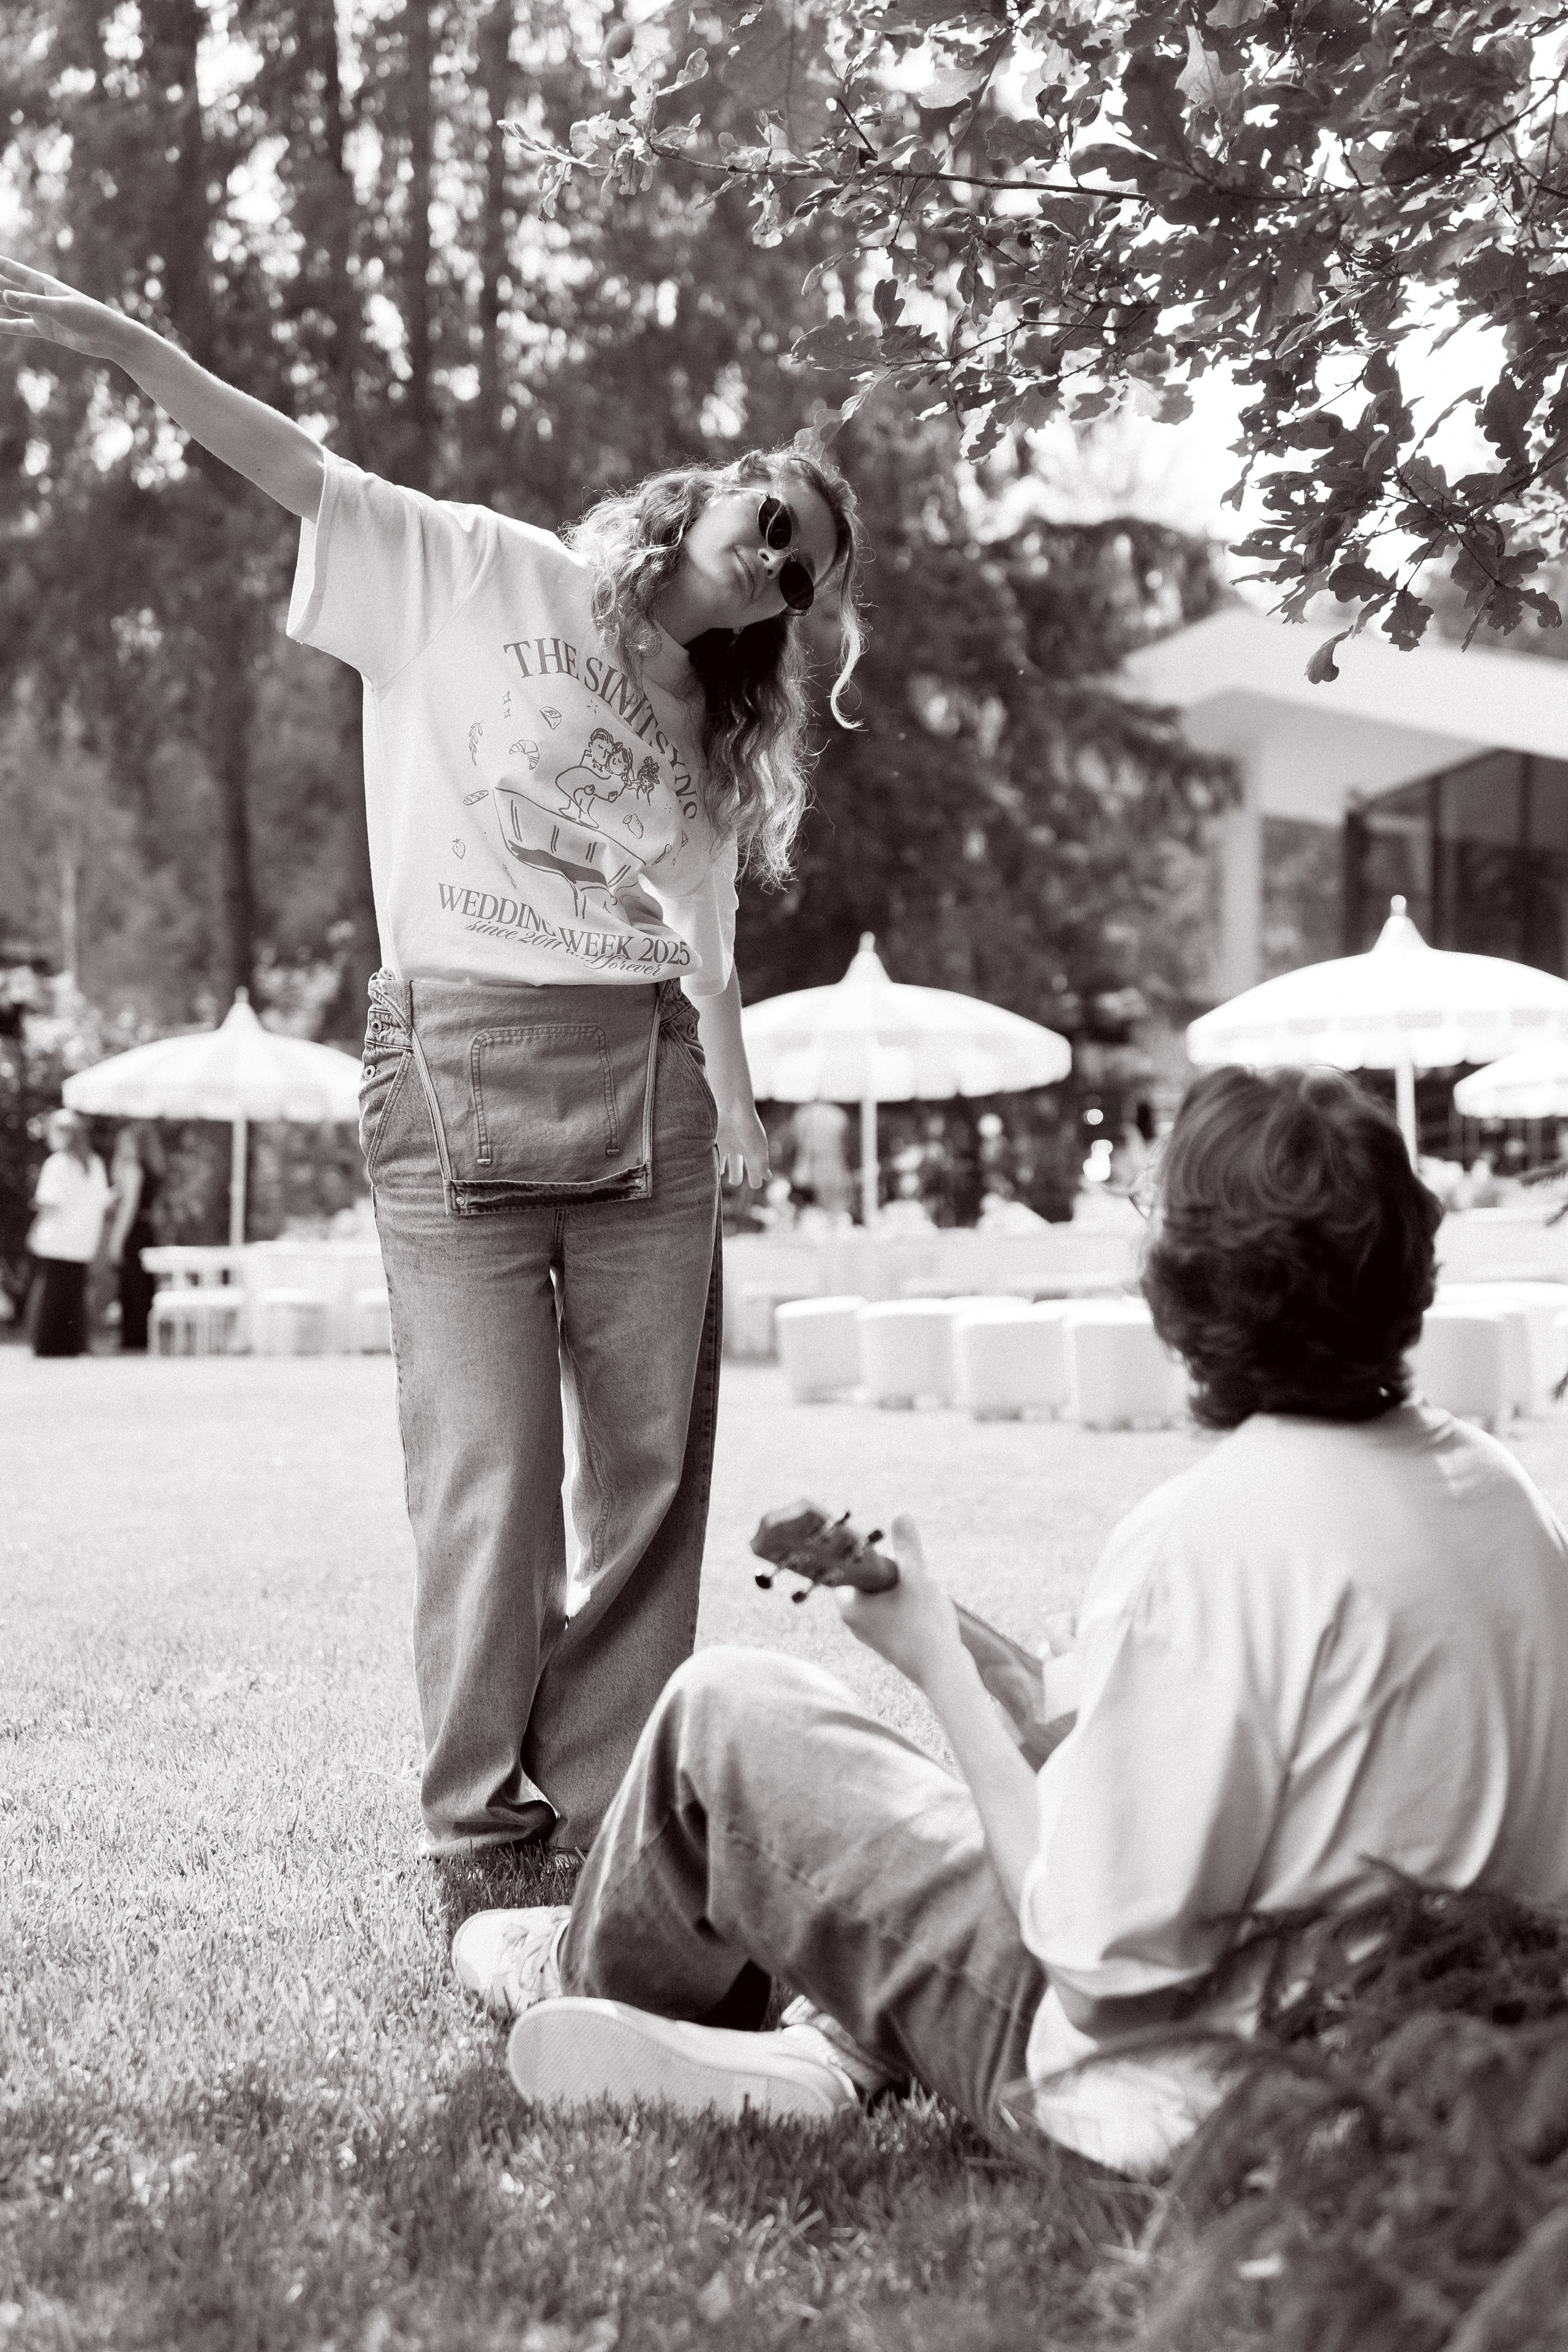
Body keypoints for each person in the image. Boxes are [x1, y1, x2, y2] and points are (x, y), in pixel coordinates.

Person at [0, 251, 865, 1858]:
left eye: (802, 582)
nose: (776, 577)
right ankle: (477, 1809)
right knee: (487, 1465)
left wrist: (740, 1112)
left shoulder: (710, 741)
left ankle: (607, 1800)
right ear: (721, 492)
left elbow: (710, 956)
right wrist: (133, 346)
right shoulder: (478, 572)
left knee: (653, 1477)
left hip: (647, 1080)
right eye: (775, 532)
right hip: (452, 1058)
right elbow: (293, 467)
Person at [447, 1066, 1568, 2176]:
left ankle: (591, 1973)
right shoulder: (1500, 1496)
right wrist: (976, 1653)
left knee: (723, 1712)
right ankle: (818, 2053)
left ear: (1186, 1293)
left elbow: (1093, 1952)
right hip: (1391, 2077)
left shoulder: (1213, 1538)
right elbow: (1239, 1784)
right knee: (873, 1784)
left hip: (1166, 2099)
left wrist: (937, 1668)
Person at [27, 1109, 111, 1357]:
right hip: (83, 1243)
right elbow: (102, 1202)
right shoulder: (94, 1163)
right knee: (74, 1296)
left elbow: (49, 1203)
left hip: (57, 1241)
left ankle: (49, 1346)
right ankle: (73, 1345)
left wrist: (34, 1231)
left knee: (52, 1296)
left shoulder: (58, 1163)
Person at [104, 1121, 166, 1351]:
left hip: (133, 1232)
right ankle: (143, 1337)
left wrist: (116, 1241)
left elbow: (128, 1209)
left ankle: (134, 1338)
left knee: (132, 1287)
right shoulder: (154, 1170)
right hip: (147, 1231)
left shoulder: (132, 1168)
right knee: (144, 1286)